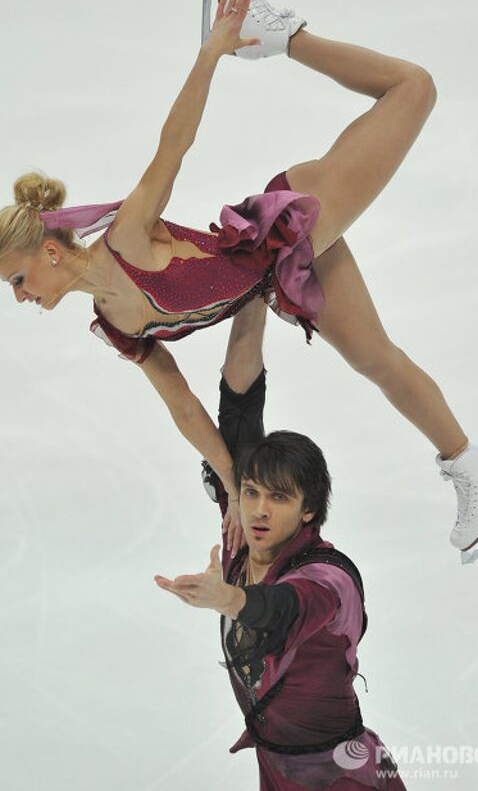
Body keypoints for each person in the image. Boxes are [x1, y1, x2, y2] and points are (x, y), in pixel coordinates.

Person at [0, 0, 478, 561]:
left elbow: (175, 144)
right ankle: (472, 462)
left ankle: (280, 35)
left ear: (52, 252)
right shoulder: (117, 324)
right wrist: (231, 488)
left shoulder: (129, 239)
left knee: (413, 88)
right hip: (281, 276)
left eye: (18, 277)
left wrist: (212, 52)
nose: (19, 294)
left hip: (288, 221)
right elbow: (187, 410)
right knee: (375, 359)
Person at [155, 297, 405, 791]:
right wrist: (252, 292)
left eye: (279, 498)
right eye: (250, 493)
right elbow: (240, 403)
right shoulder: (240, 534)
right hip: (275, 769)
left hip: (343, 775)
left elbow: (283, 608)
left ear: (308, 508)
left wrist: (228, 598)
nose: (259, 510)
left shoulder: (328, 578)